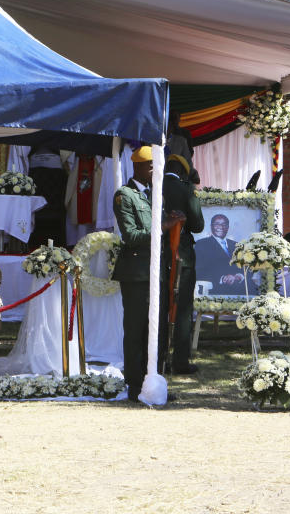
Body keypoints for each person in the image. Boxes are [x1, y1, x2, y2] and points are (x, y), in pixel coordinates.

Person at [111, 146, 184, 402]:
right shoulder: (125, 196)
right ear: (138, 167)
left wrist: (172, 222)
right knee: (136, 330)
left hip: (157, 273)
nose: (155, 171)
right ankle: (134, 385)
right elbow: (131, 237)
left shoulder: (154, 195)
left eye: (157, 167)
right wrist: (164, 225)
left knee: (158, 330)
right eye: (151, 166)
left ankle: (154, 381)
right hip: (136, 274)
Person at [161, 154, 204, 374]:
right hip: (182, 254)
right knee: (183, 307)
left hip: (158, 254)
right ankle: (180, 361)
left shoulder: (154, 186)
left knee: (159, 307)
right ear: (184, 172)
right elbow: (197, 226)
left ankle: (158, 358)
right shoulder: (187, 190)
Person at [194, 213, 250, 295]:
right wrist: (222, 278)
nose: (220, 227)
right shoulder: (201, 244)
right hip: (216, 289)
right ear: (211, 226)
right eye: (217, 224)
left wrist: (238, 276)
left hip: (240, 288)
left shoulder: (237, 245)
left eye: (224, 224)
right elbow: (199, 269)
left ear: (228, 227)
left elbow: (247, 266)